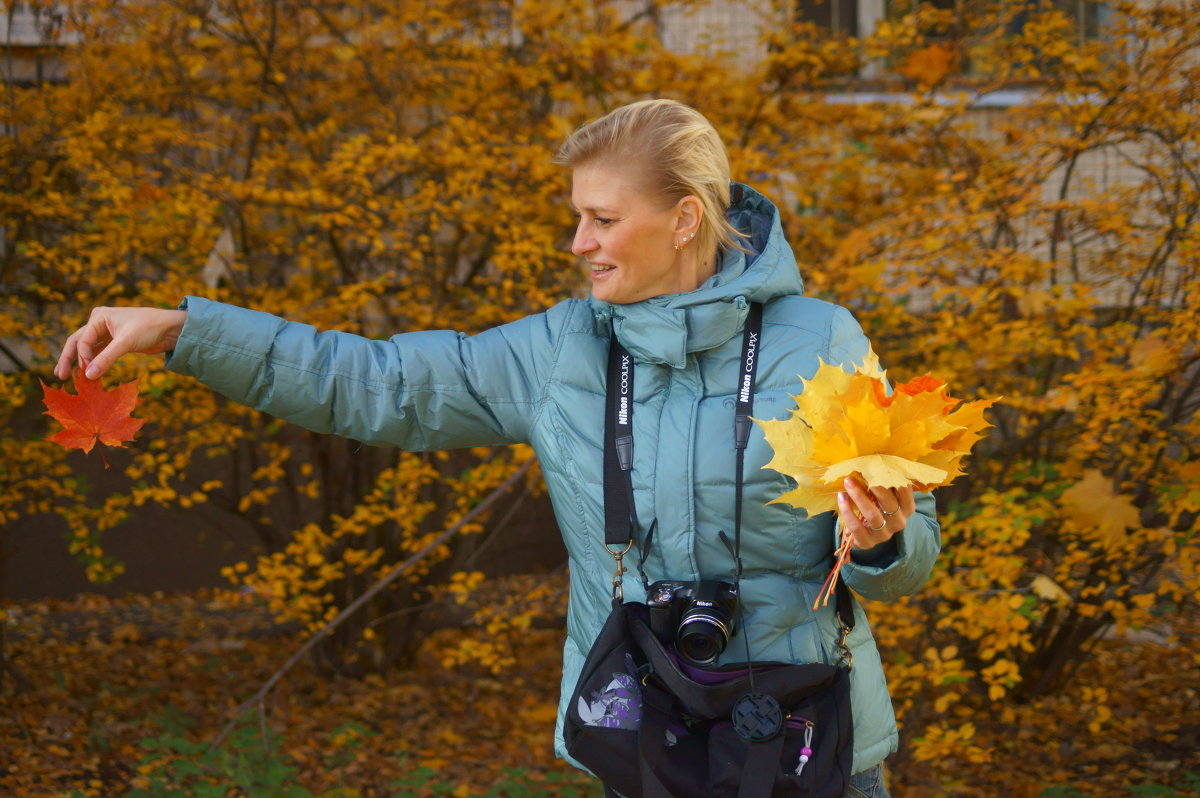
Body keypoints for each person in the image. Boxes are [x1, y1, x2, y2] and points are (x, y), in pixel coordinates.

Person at [56, 99, 938, 798]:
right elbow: (377, 383)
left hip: (809, 744)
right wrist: (184, 330)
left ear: (683, 219)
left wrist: (883, 539)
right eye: (577, 217)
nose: (578, 242)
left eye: (599, 218)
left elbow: (909, 557)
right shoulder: (564, 351)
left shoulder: (818, 341)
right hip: (648, 739)